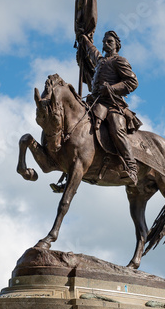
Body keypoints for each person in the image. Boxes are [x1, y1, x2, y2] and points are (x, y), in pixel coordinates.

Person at [50, 30, 141, 193]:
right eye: (104, 41)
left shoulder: (119, 61)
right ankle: (68, 171)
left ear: (116, 45)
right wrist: (83, 38)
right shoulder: (100, 61)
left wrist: (112, 88)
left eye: (109, 42)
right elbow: (92, 51)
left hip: (113, 104)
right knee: (76, 127)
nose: (106, 44)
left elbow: (132, 82)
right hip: (96, 102)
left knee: (116, 129)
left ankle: (132, 169)